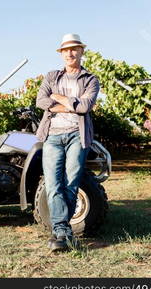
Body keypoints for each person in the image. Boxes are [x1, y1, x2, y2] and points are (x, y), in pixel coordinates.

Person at [35, 33, 100, 251]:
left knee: (71, 184)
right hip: (53, 136)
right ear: (61, 54)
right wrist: (72, 103)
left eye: (74, 49)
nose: (70, 53)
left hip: (76, 136)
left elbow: (85, 107)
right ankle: (63, 232)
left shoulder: (90, 79)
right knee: (53, 184)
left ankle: (59, 232)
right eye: (65, 50)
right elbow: (41, 101)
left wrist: (60, 98)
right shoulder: (52, 76)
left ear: (81, 51)